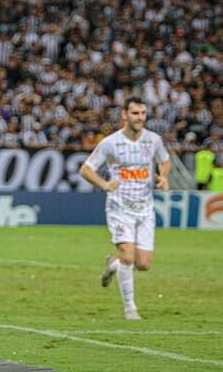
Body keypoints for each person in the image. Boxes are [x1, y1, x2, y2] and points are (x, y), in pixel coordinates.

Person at [79, 96, 171, 320]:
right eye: (135, 113)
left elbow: (165, 160)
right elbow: (86, 169)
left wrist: (164, 176)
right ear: (124, 115)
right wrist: (104, 185)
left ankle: (113, 264)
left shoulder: (153, 140)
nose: (140, 118)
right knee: (129, 256)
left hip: (145, 208)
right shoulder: (110, 142)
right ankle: (130, 308)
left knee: (144, 264)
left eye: (143, 114)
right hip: (119, 207)